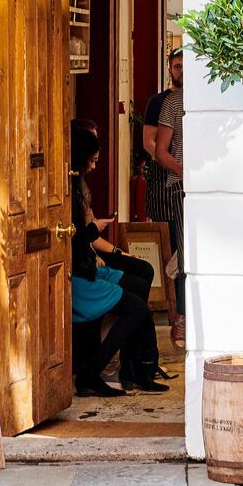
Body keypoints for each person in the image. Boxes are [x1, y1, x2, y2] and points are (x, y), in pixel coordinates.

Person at [70, 124, 165, 396]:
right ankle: (96, 372)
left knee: (141, 277)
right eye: (93, 160)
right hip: (81, 274)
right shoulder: (68, 190)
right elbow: (76, 238)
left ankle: (136, 366)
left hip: (88, 266)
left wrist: (110, 250)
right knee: (137, 308)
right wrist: (94, 229)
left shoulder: (77, 186)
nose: (95, 166)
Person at [144, 48, 186, 345]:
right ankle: (177, 314)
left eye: (186, 65)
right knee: (174, 250)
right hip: (172, 184)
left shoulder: (204, 99)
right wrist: (181, 169)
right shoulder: (163, 103)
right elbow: (154, 146)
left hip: (187, 184)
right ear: (169, 68)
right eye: (177, 66)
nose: (182, 70)